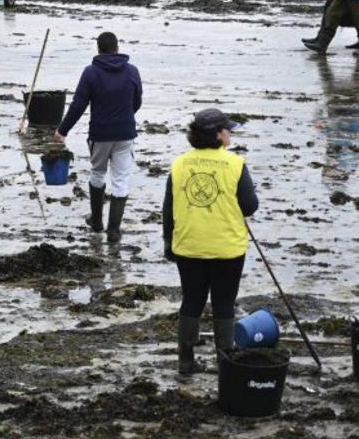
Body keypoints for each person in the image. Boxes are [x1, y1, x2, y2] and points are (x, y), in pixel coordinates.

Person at [162, 108, 259, 376]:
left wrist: (168, 243)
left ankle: (185, 361)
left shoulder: (179, 164)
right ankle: (225, 361)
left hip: (189, 247)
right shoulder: (236, 164)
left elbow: (168, 209)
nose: (230, 133)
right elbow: (250, 206)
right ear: (218, 135)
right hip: (227, 249)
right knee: (224, 303)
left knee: (191, 300)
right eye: (227, 129)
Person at [54, 31, 143, 242]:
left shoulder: (91, 73)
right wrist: (125, 117)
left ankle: (96, 222)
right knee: (120, 180)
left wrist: (62, 130)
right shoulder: (132, 71)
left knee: (97, 173)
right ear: (117, 48)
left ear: (98, 49)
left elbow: (78, 105)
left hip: (100, 134)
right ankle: (114, 231)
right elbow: (137, 101)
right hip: (125, 133)